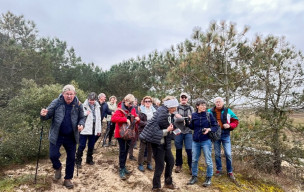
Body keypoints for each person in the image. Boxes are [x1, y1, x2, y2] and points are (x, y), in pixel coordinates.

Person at [40, 85, 85, 189]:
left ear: (74, 94)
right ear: (63, 94)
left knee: (71, 158)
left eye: (71, 94)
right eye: (67, 94)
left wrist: (81, 124)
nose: (69, 96)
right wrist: (43, 115)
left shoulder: (78, 104)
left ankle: (67, 179)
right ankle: (58, 167)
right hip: (57, 134)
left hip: (71, 136)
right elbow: (47, 115)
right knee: (53, 155)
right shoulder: (56, 102)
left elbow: (82, 117)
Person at [139, 96, 179, 191]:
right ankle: (156, 187)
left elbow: (171, 124)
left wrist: (176, 130)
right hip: (158, 142)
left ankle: (168, 182)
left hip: (165, 142)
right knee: (160, 165)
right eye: (174, 107)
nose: (176, 109)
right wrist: (168, 130)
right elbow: (156, 130)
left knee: (170, 161)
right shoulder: (162, 113)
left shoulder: (168, 113)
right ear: (170, 105)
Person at [187, 99, 218, 187]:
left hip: (206, 141)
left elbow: (215, 126)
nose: (204, 107)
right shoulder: (193, 115)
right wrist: (187, 122)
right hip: (195, 141)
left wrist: (209, 129)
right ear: (197, 106)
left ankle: (208, 178)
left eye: (205, 105)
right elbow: (192, 127)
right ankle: (194, 177)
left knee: (208, 161)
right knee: (194, 160)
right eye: (202, 105)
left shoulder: (209, 115)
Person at [208, 97, 239, 180]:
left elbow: (236, 120)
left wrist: (229, 125)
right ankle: (219, 170)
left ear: (223, 102)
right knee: (217, 154)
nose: (218, 103)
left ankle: (230, 171)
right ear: (214, 103)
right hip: (215, 134)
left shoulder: (228, 111)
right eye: (217, 102)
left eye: (220, 102)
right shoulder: (210, 111)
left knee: (228, 154)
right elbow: (205, 120)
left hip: (225, 134)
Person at [111, 94, 140, 180]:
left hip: (129, 133)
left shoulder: (133, 109)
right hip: (121, 134)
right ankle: (121, 168)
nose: (130, 105)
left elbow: (134, 119)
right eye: (129, 103)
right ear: (125, 100)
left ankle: (123, 167)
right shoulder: (120, 109)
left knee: (127, 150)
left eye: (132, 103)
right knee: (122, 150)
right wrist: (125, 119)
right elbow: (113, 119)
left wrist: (137, 119)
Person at [76, 92, 101, 168]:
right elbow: (79, 116)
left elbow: (98, 119)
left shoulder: (97, 107)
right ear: (88, 99)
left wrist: (99, 130)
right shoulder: (83, 106)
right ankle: (78, 161)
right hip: (85, 129)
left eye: (93, 100)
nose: (91, 101)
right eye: (90, 100)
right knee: (82, 145)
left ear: (95, 100)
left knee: (91, 145)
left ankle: (89, 159)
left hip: (94, 129)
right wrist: (85, 113)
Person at [174, 92, 194, 174]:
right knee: (178, 148)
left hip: (188, 131)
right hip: (178, 130)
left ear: (187, 99)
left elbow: (193, 118)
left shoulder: (191, 108)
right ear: (180, 99)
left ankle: (191, 166)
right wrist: (185, 118)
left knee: (189, 149)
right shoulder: (176, 108)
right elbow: (175, 119)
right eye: (182, 97)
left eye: (185, 97)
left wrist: (182, 118)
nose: (183, 99)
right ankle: (178, 165)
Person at [137, 96, 156, 172]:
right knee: (142, 148)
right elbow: (139, 121)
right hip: (143, 131)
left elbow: (156, 120)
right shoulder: (140, 110)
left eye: (149, 101)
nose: (147, 103)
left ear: (151, 102)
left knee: (150, 148)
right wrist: (148, 123)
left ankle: (149, 163)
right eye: (146, 101)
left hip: (152, 131)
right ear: (144, 102)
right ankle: (140, 164)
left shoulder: (154, 111)